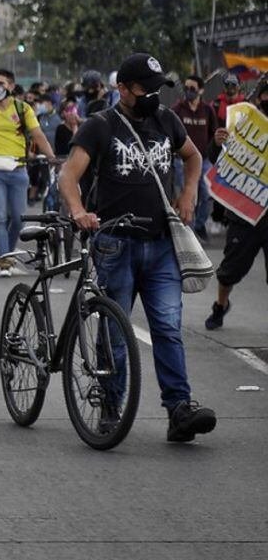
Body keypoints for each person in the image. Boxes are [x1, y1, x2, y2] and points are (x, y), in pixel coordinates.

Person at [58, 52, 216, 443]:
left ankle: (179, 408)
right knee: (114, 330)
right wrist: (79, 210)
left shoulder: (167, 120)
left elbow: (193, 156)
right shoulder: (100, 125)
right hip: (115, 243)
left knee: (167, 327)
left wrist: (190, 190)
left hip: (161, 244)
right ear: (123, 89)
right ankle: (111, 407)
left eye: (157, 89)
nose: (152, 96)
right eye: (145, 89)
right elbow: (69, 175)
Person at [0, 68, 57, 277]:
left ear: (11, 86)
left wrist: (51, 157)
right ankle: (5, 261)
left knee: (19, 219)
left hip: (19, 170)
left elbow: (38, 135)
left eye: (1, 83)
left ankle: (8, 254)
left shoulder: (23, 109)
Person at [204, 76, 268, 331]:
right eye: (266, 95)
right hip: (245, 212)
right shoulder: (245, 122)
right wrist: (217, 143)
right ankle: (221, 305)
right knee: (230, 270)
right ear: (260, 97)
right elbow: (219, 159)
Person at [171, 75, 218, 241]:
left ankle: (200, 224)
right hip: (182, 160)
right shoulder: (178, 109)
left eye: (192, 88)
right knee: (187, 194)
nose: (188, 92)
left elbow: (214, 134)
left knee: (205, 193)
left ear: (201, 90)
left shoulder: (207, 110)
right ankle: (188, 231)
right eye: (186, 88)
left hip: (203, 159)